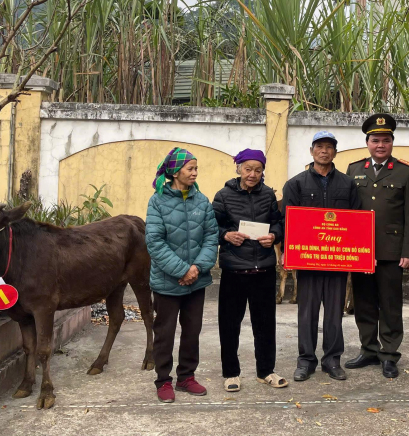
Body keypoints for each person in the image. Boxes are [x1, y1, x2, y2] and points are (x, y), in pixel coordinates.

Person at [344, 113, 409, 379]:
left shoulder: (406, 171)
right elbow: (347, 213)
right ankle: (368, 349)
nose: (380, 145)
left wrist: (408, 251)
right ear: (367, 143)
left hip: (391, 251)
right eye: (375, 140)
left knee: (390, 304)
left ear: (392, 143)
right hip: (360, 251)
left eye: (385, 140)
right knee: (363, 302)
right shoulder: (354, 169)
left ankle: (389, 354)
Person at [282, 131, 361, 382]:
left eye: (329, 147)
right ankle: (306, 361)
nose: (324, 151)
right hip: (307, 260)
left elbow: (357, 221)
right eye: (319, 146)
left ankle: (332, 360)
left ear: (335, 152)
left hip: (338, 259)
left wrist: (359, 254)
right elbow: (287, 221)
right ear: (311, 151)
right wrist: (288, 251)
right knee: (307, 312)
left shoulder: (348, 184)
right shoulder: (296, 184)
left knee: (335, 312)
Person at [145, 147, 218, 403]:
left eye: (196, 168)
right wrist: (182, 270)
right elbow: (154, 242)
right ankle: (163, 380)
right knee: (164, 333)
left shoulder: (202, 201)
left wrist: (196, 269)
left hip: (196, 282)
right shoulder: (157, 201)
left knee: (192, 331)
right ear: (176, 172)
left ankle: (186, 376)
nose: (195, 173)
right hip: (167, 282)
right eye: (190, 168)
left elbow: (211, 237)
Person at [212, 148, 288, 392]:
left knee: (265, 325)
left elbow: (278, 223)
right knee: (229, 325)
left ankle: (266, 371)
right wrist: (226, 235)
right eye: (248, 169)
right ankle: (231, 373)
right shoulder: (223, 195)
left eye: (257, 170)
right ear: (238, 168)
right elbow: (211, 226)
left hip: (263, 270)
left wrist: (274, 235)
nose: (252, 174)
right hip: (234, 270)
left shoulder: (268, 195)